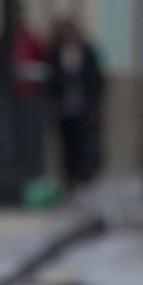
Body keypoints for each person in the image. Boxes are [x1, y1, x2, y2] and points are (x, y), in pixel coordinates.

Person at [46, 17, 105, 188]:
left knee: (84, 140)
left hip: (83, 106)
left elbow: (95, 78)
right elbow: (51, 78)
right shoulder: (56, 53)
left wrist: (95, 103)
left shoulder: (87, 51)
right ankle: (69, 176)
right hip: (64, 106)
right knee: (66, 142)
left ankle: (84, 174)